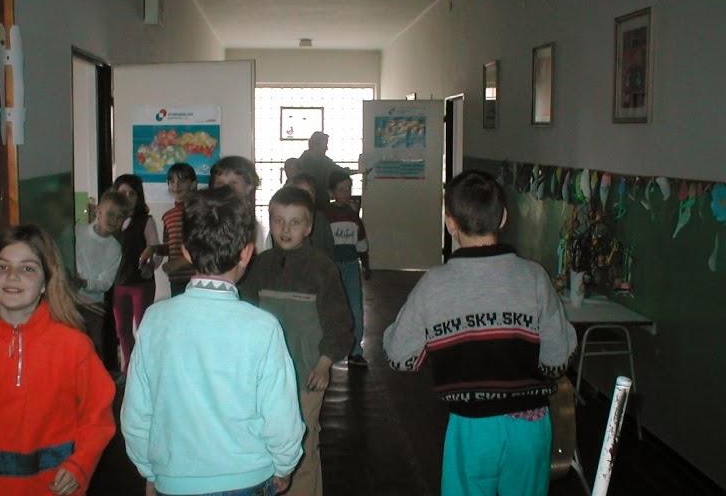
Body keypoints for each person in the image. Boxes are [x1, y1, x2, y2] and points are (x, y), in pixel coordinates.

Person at [382, 169, 578, 496]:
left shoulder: (434, 284)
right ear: (503, 217)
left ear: (450, 223)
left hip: (472, 425)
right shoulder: (534, 277)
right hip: (530, 423)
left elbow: (399, 356)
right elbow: (557, 360)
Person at [121, 187, 305, 496]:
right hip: (248, 478)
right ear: (247, 253)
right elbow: (281, 415)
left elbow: (137, 413)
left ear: (186, 252)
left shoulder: (154, 321)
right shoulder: (263, 327)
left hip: (175, 481)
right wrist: (284, 465)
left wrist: (149, 471)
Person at [0, 225, 116, 495]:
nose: (12, 276)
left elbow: (97, 418)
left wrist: (80, 464)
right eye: (2, 267)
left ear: (45, 283)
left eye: (28, 268)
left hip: (50, 487)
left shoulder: (75, 347)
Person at [240, 186, 353, 496]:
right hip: (264, 378)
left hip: (307, 375)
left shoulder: (322, 268)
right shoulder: (258, 266)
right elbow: (245, 316)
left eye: (295, 222)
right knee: (267, 444)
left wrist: (324, 364)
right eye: (278, 221)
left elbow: (340, 323)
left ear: (309, 226)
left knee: (303, 446)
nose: (286, 229)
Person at [112, 174, 160, 379]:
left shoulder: (146, 221)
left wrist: (152, 265)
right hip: (118, 283)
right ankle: (128, 369)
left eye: (132, 193)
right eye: (123, 193)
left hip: (141, 283)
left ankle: (145, 370)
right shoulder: (112, 221)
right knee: (122, 330)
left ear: (138, 197)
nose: (127, 197)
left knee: (142, 328)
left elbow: (156, 249)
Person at [75, 188, 130, 362]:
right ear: (98, 211)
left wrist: (84, 283)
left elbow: (106, 283)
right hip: (69, 301)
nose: (114, 220)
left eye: (120, 217)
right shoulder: (77, 232)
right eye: (110, 214)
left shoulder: (115, 248)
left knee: (92, 349)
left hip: (94, 305)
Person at [324, 171, 369, 366]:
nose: (346, 192)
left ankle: (355, 351)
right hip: (331, 267)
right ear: (331, 192)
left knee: (355, 308)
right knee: (328, 308)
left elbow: (361, 243)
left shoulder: (354, 217)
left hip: (351, 266)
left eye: (349, 188)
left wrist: (365, 264)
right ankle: (325, 349)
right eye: (341, 189)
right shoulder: (325, 216)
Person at [140, 162, 198, 297]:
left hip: (198, 278)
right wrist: (153, 249)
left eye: (182, 180)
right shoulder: (168, 216)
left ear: (193, 184)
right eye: (172, 181)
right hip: (176, 279)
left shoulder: (201, 212)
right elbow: (169, 247)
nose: (176, 185)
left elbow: (205, 247)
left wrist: (180, 262)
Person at [210, 155, 269, 254]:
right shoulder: (207, 220)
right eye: (220, 184)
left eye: (233, 183)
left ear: (249, 186)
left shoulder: (256, 229)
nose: (226, 189)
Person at [297, 131, 360, 210]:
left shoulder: (324, 160)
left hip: (321, 202)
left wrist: (358, 171)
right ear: (315, 146)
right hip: (306, 203)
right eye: (324, 145)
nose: (327, 148)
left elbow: (339, 170)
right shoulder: (302, 163)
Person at [287, 172, 335, 260]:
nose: (307, 196)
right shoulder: (286, 218)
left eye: (310, 192)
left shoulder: (320, 218)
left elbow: (329, 247)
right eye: (301, 192)